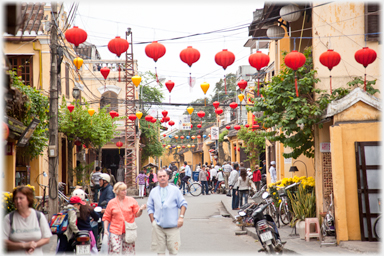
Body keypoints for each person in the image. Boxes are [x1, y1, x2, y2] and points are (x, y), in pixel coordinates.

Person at [147, 170, 188, 255]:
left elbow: (183, 204)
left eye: (164, 176)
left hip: (172, 227)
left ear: (168, 177)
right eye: (160, 176)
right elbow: (150, 207)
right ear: (157, 178)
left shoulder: (175, 190)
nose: (162, 178)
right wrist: (153, 221)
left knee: (173, 251)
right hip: (158, 227)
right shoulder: (153, 191)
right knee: (160, 252)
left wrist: (181, 217)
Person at [3, 186, 52, 254]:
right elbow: (3, 241)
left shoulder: (39, 216)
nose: (18, 201)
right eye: (16, 198)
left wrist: (35, 245)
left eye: (21, 198)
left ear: (28, 199)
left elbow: (47, 238)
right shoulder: (9, 218)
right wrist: (23, 245)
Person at [102, 182, 147, 255]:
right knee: (114, 250)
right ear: (117, 191)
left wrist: (141, 209)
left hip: (128, 230)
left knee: (128, 252)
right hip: (115, 230)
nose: (125, 191)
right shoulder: (111, 202)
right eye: (122, 190)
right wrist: (105, 230)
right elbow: (106, 217)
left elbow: (137, 214)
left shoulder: (131, 200)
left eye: (125, 190)